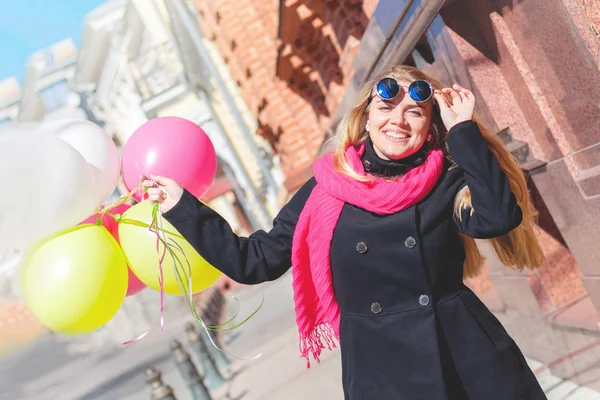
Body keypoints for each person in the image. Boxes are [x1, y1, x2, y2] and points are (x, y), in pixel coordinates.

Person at [143, 65, 547, 399]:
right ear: (367, 117)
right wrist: (182, 206)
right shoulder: (326, 186)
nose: (399, 120)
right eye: (387, 106)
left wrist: (463, 131)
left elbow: (498, 218)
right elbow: (255, 261)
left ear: (430, 127)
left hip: (469, 361)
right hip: (383, 376)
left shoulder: (446, 179)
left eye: (415, 112)